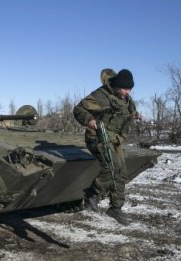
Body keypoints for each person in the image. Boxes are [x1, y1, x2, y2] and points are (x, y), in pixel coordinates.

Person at [73, 68, 139, 225]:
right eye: (124, 88)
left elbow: (129, 111)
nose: (127, 92)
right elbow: (78, 109)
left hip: (114, 139)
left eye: (130, 89)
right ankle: (92, 196)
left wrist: (135, 115)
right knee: (111, 166)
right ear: (117, 86)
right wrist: (89, 120)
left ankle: (115, 208)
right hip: (98, 136)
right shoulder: (101, 96)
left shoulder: (126, 99)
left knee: (121, 171)